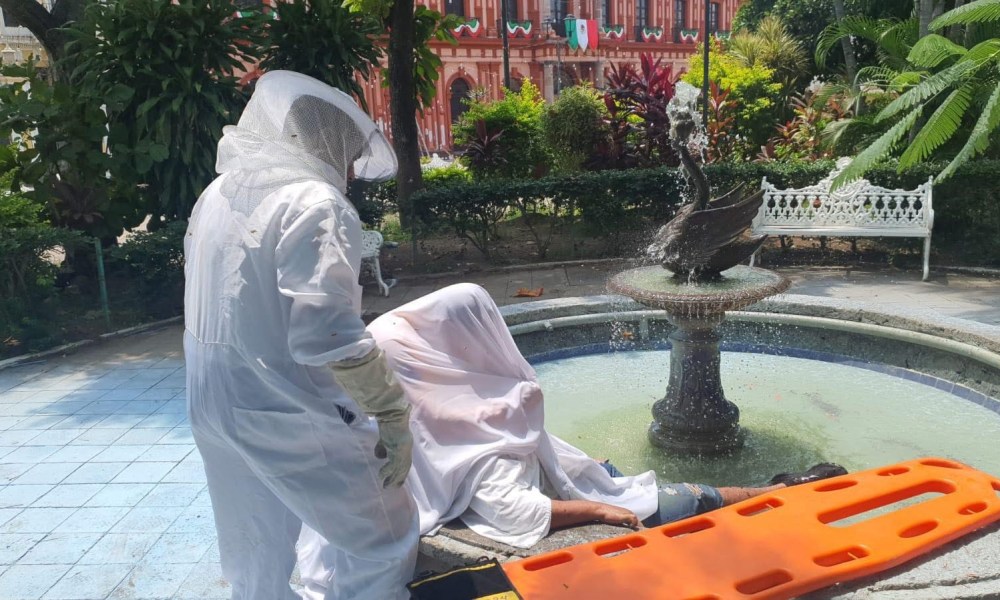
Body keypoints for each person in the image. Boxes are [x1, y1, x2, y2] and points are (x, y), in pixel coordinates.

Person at [297, 284, 846, 587]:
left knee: (621, 476)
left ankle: (772, 488)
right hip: (574, 505)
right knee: (688, 499)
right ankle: (782, 490)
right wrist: (597, 510)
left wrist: (578, 465)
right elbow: (513, 511)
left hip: (568, 478)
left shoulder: (422, 410)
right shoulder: (480, 436)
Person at [183, 70, 418, 600]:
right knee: (382, 537)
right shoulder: (317, 203)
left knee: (254, 553)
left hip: (211, 401)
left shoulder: (219, 191)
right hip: (282, 408)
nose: (352, 169)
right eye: (351, 153)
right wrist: (391, 411)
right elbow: (327, 334)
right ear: (328, 140)